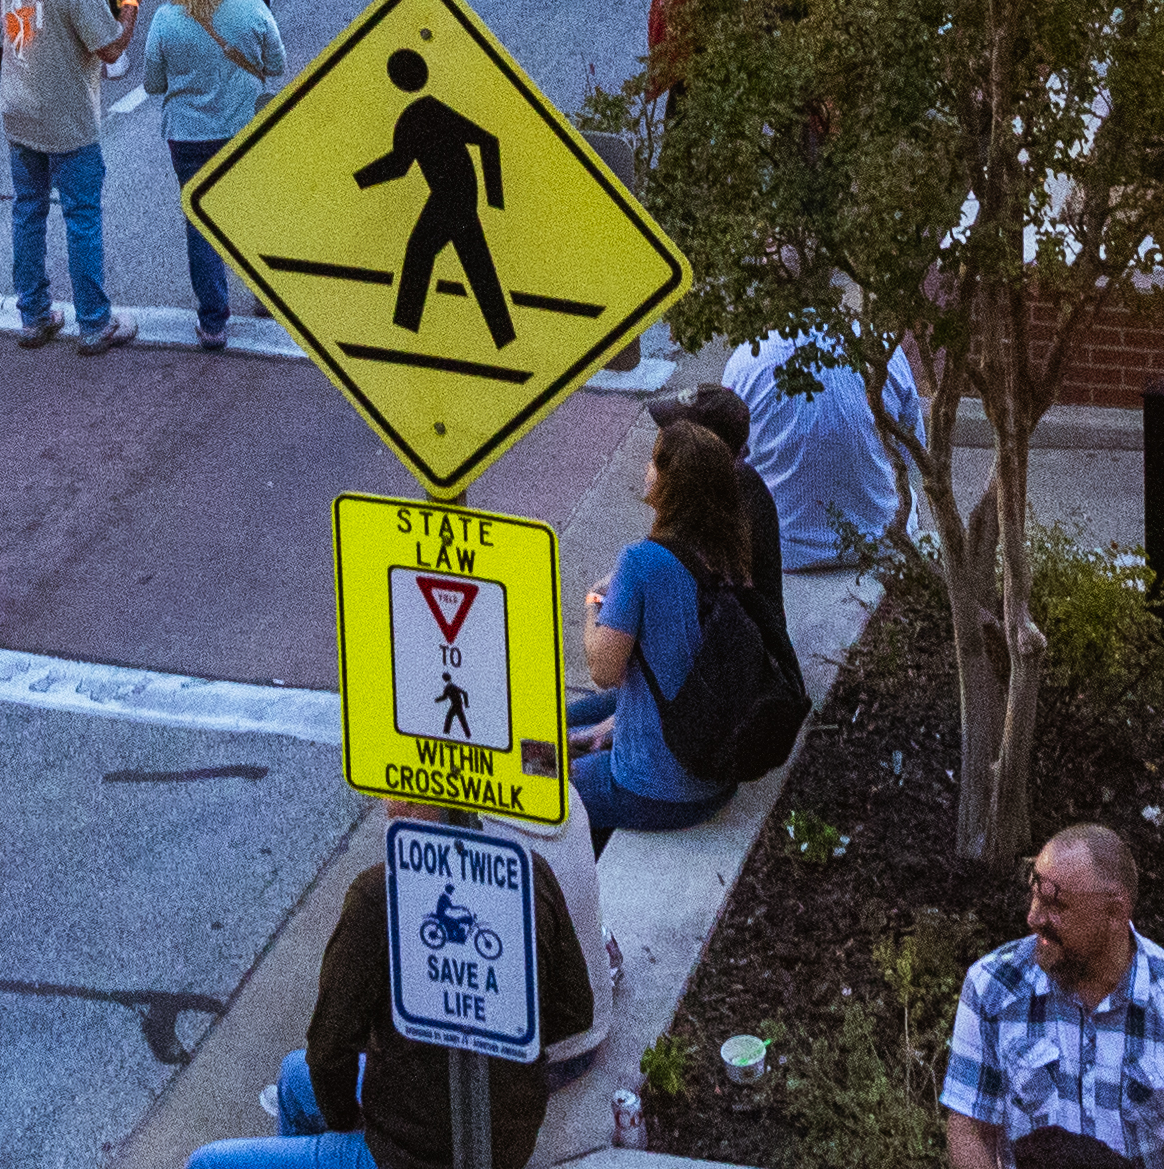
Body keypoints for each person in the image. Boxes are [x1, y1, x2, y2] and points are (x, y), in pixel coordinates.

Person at [179, 850, 596, 1169]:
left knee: (207, 1162)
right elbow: (576, 1011)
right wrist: (490, 1051)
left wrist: (357, 1123)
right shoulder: (525, 870)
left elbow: (329, 1049)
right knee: (292, 1075)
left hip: (414, 1155)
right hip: (509, 1136)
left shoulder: (380, 893)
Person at [934, 819, 1164, 1169]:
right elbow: (970, 1128)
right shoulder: (995, 986)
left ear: (1115, 912)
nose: (1033, 917)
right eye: (1034, 895)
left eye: (1056, 905)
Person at [570, 420, 757, 851]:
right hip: (715, 766)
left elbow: (603, 668)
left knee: (531, 783)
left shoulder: (642, 561)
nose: (646, 469)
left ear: (672, 482)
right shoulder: (732, 549)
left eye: (654, 461)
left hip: (655, 787)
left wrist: (594, 604)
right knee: (564, 722)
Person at [0, 0, 143, 351]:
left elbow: (49, 0)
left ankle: (34, 315)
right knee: (82, 217)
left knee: (28, 212)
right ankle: (95, 322)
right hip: (67, 117)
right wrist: (130, 1)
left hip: (19, 107)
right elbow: (110, 47)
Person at [142, 0, 285, 354]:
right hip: (243, 129)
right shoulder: (250, 6)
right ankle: (265, 294)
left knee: (200, 225)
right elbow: (275, 64)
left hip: (187, 138)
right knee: (251, 214)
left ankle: (213, 321)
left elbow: (152, 83)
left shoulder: (166, 20)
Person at [723, 325, 925, 563]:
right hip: (882, 540)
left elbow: (728, 457)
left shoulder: (745, 358)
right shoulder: (881, 344)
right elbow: (912, 448)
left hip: (783, 549)